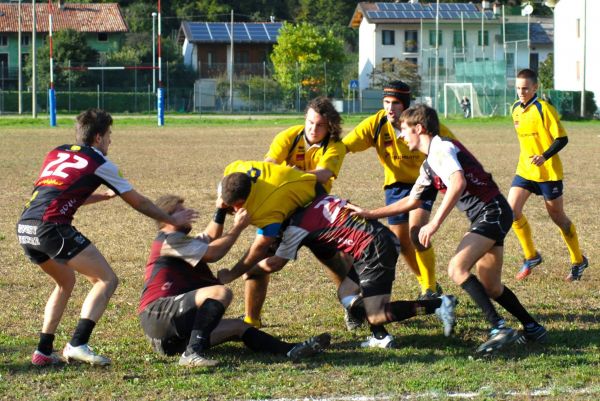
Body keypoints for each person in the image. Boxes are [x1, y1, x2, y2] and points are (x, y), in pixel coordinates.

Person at [347, 105, 547, 354]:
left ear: (419, 129)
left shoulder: (441, 148)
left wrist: (434, 223)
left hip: (491, 212)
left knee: (456, 269)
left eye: (404, 130)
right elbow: (412, 201)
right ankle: (532, 327)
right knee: (491, 286)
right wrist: (368, 213)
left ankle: (498, 328)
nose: (401, 136)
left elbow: (458, 182)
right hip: (490, 214)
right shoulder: (429, 165)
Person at [17, 108, 196, 366]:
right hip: (51, 228)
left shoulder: (56, 152)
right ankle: (77, 343)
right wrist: (172, 219)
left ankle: (43, 351)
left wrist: (102, 196)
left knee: (65, 281)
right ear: (99, 137)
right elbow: (140, 202)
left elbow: (58, 195)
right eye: (109, 135)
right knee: (106, 279)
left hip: (26, 226)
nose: (111, 140)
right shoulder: (100, 162)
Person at [226, 193, 458, 349]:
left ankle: (439, 304)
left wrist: (247, 270)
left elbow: (276, 263)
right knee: (347, 294)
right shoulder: (316, 199)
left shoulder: (294, 227)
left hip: (374, 249)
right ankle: (380, 336)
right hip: (371, 244)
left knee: (375, 312)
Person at [138, 194, 330, 367]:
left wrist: (220, 210)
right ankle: (192, 353)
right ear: (166, 217)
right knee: (219, 293)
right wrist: (238, 227)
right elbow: (214, 253)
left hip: (171, 338)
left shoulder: (183, 242)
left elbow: (210, 236)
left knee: (240, 327)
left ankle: (289, 350)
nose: (187, 212)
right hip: (157, 314)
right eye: (180, 210)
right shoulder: (168, 240)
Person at [342, 81, 457, 300]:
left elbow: (454, 144)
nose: (389, 108)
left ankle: (429, 289)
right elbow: (344, 146)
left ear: (405, 105)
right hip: (395, 186)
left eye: (395, 103)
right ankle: (425, 281)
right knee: (403, 244)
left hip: (423, 182)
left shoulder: (422, 121)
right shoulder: (376, 124)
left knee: (417, 233)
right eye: (386, 102)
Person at [216, 160, 324, 328]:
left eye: (236, 206)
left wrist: (233, 273)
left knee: (326, 258)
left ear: (246, 198)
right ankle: (252, 321)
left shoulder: (268, 206)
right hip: (289, 189)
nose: (235, 210)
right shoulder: (234, 169)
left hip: (312, 203)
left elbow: (260, 246)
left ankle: (354, 304)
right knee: (255, 271)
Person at [509, 69, 588, 281]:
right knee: (512, 211)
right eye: (518, 88)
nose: (521, 92)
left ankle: (578, 260)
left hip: (548, 172)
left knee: (558, 218)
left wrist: (544, 156)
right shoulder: (515, 109)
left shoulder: (544, 109)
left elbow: (562, 138)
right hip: (525, 170)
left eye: (525, 88)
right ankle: (531, 256)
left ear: (535, 87)